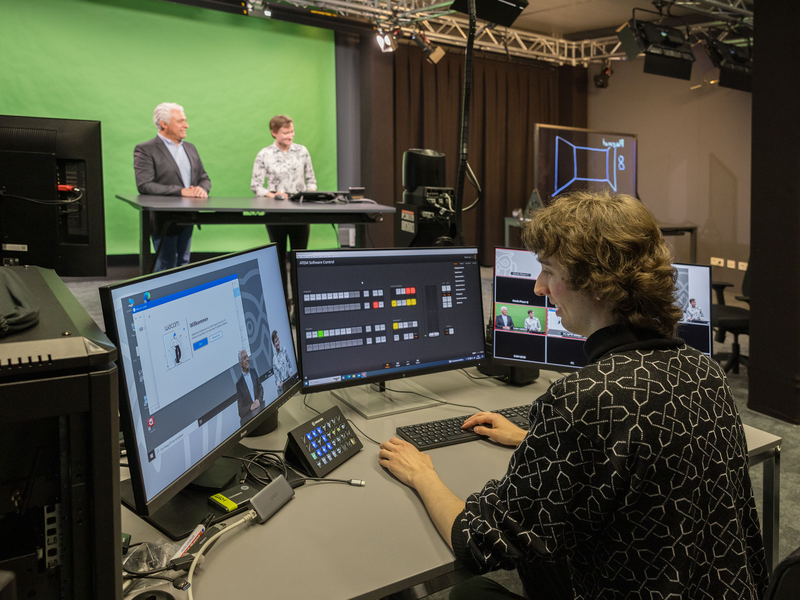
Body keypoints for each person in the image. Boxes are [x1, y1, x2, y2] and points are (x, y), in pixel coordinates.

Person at [378, 191, 768, 600]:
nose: (539, 286)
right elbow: (641, 463)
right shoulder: (705, 370)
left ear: (596, 283)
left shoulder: (585, 398)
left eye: (548, 270)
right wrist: (533, 439)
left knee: (468, 593)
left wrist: (423, 474)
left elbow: (482, 540)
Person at [134, 102, 211, 272]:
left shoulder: (190, 148)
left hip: (188, 217)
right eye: (180, 121)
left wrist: (202, 189)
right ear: (164, 124)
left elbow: (204, 178)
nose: (186, 125)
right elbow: (144, 185)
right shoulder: (146, 149)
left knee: (183, 263)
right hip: (164, 220)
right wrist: (181, 191)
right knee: (166, 265)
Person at [251, 115, 317, 293]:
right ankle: (283, 307)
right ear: (274, 133)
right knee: (278, 258)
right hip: (275, 213)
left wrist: (307, 195)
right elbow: (256, 186)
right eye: (286, 132)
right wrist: (273, 195)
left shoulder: (302, 151)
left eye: (292, 132)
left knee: (299, 258)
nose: (290, 135)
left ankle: (299, 304)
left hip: (300, 213)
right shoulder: (264, 154)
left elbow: (311, 181)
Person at [236, 349, 263, 426]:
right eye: (244, 358)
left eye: (247, 357)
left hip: (261, 411)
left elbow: (261, 388)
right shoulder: (239, 384)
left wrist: (258, 400)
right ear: (240, 363)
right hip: (251, 421)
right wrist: (250, 407)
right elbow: (240, 411)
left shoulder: (254, 372)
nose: (247, 359)